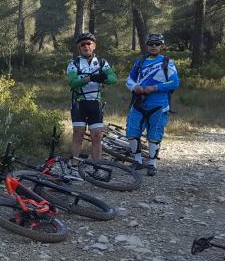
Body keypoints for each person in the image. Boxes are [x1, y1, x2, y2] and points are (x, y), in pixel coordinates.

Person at [125, 33, 180, 177]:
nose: (154, 46)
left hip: (159, 104)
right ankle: (137, 161)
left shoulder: (167, 62)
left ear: (162, 46)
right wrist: (135, 87)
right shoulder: (140, 61)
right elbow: (129, 80)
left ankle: (152, 163)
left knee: (154, 135)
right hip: (139, 103)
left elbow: (174, 82)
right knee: (131, 132)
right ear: (147, 46)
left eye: (157, 44)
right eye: (151, 44)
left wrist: (155, 87)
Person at [66, 32, 117, 164]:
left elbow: (113, 78)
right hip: (79, 103)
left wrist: (103, 78)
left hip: (95, 103)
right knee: (78, 135)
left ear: (94, 46)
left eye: (88, 43)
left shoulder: (101, 62)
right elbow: (72, 83)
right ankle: (74, 165)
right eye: (82, 44)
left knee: (97, 136)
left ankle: (97, 166)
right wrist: (89, 78)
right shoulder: (74, 63)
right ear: (79, 47)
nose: (86, 46)